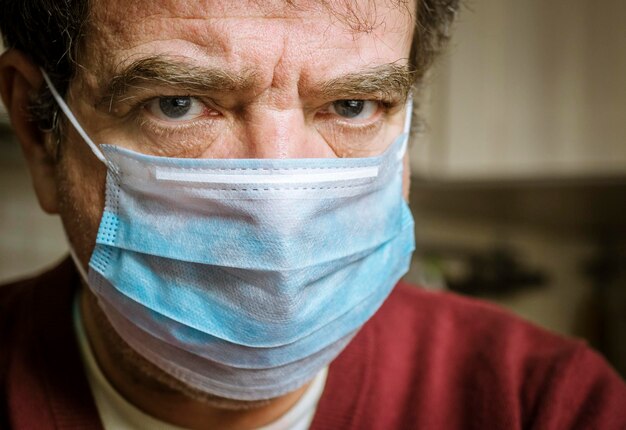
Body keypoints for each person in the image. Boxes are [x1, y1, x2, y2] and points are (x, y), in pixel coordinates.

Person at [1, 1, 625, 429]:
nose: (277, 215)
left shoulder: (544, 407)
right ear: (37, 128)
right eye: (178, 103)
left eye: (352, 105)